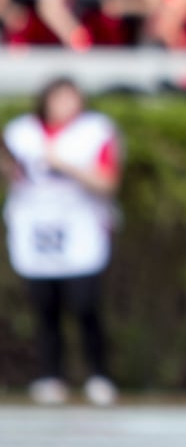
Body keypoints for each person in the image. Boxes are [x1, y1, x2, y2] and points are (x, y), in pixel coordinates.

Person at [1, 76, 121, 407]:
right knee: (45, 308)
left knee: (84, 305)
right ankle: (51, 376)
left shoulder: (95, 131)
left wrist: (63, 164)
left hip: (80, 230)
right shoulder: (22, 132)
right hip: (35, 230)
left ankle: (99, 375)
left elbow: (107, 181)